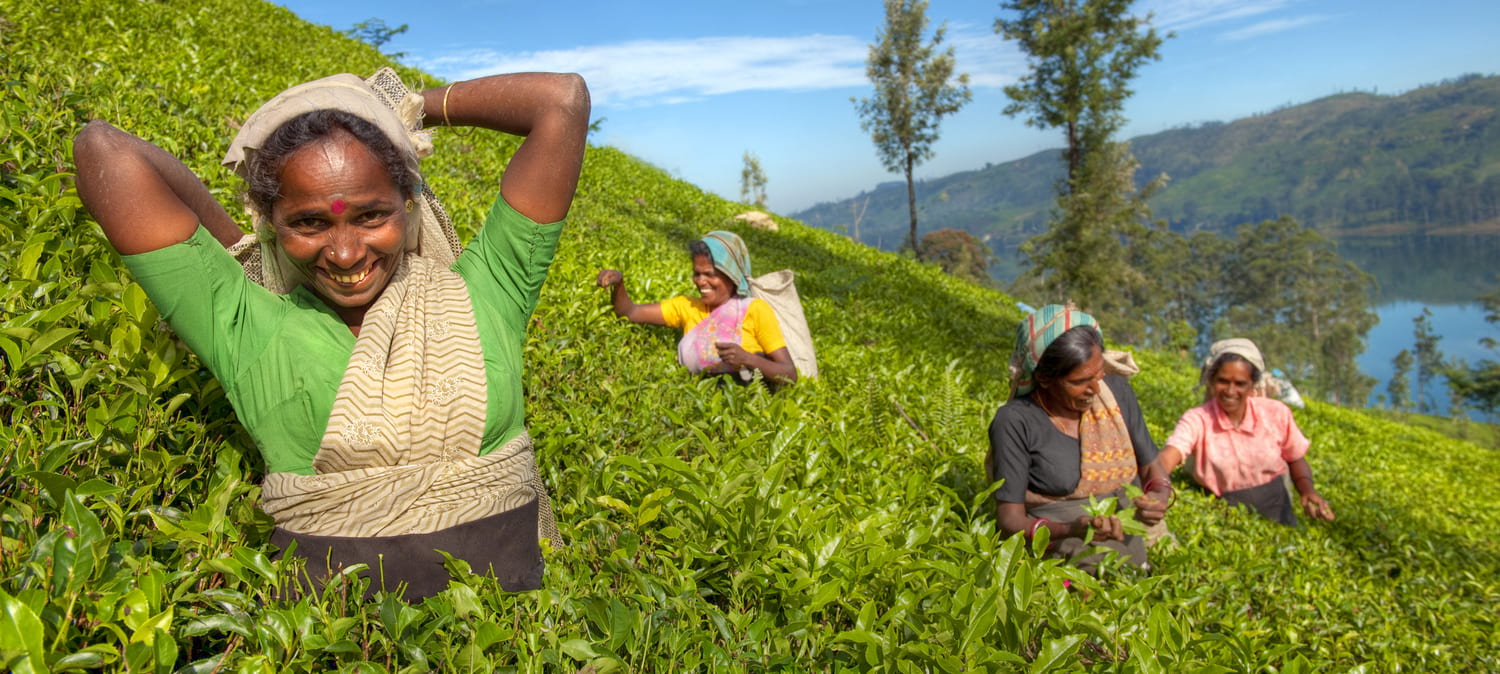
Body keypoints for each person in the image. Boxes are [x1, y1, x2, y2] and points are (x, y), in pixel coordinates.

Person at [72, 68, 590, 599]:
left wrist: (398, 107)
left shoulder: (489, 292)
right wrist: (242, 250)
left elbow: (561, 101)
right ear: (273, 223)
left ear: (408, 203)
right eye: (310, 223)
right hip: (330, 644)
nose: (346, 254)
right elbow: (102, 150)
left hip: (511, 640)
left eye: (371, 215)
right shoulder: (248, 328)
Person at [988, 305, 1172, 571]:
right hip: (1060, 551)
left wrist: (1159, 494)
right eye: (1080, 381)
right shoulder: (1015, 421)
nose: (1095, 389)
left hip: (1130, 541)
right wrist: (1071, 529)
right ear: (1044, 378)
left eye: (1099, 374)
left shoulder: (1116, 392)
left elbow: (1151, 465)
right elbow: (1009, 520)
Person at [1158, 339, 1335, 525]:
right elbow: (1171, 454)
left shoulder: (1275, 413)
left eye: (1240, 383)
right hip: (1225, 514)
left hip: (1278, 505)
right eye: (1222, 381)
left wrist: (1307, 491)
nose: (1230, 391)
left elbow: (1295, 457)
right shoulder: (1198, 419)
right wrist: (1157, 484)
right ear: (1211, 381)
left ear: (1252, 385)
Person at [595, 231, 797, 386]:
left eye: (709, 274)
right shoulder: (687, 306)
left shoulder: (755, 310)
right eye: (697, 274)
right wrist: (619, 283)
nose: (701, 281)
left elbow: (789, 373)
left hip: (747, 402)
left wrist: (747, 359)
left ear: (732, 275)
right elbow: (630, 312)